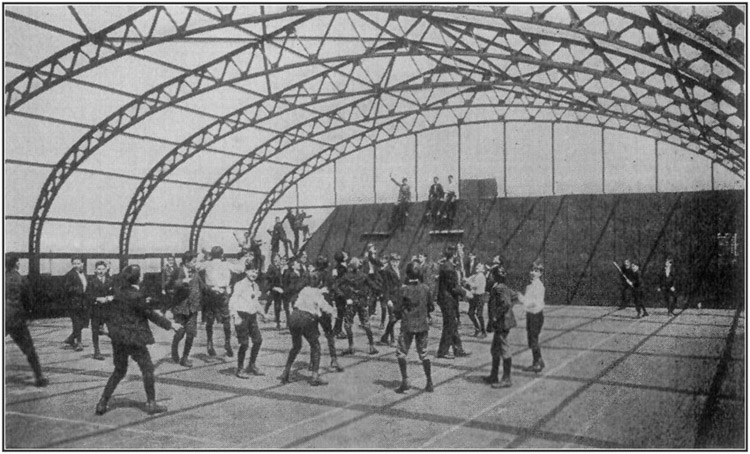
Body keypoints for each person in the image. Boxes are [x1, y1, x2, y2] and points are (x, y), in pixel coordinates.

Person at [95, 265, 183, 416]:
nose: (142, 277)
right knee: (147, 369)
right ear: (137, 278)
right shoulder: (138, 295)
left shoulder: (117, 292)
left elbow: (108, 311)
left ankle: (102, 402)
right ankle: (151, 403)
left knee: (119, 370)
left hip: (119, 338)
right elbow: (150, 314)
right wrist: (171, 325)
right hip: (134, 339)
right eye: (140, 275)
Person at [279, 272, 336, 386]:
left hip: (294, 316)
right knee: (315, 346)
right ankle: (314, 377)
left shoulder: (304, 289)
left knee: (296, 346)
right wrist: (334, 311)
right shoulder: (318, 292)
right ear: (320, 282)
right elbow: (324, 307)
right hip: (306, 319)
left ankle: (286, 372)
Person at [196, 246, 246, 357]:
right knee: (226, 319)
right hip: (223, 293)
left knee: (210, 319)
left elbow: (196, 266)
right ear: (222, 255)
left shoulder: (207, 264)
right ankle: (227, 343)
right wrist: (243, 259)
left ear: (211, 255)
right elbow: (241, 269)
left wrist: (202, 254)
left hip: (210, 293)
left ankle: (209, 342)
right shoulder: (226, 264)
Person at [5, 256, 48, 387]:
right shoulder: (21, 279)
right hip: (16, 319)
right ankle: (39, 377)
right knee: (29, 349)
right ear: (16, 263)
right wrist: (28, 314)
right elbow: (29, 300)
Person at [393, 262, 434, 393]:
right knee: (424, 354)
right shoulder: (425, 288)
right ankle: (429, 382)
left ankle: (405, 381)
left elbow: (397, 309)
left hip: (407, 325)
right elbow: (431, 306)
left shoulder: (403, 290)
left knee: (401, 353)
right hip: (422, 324)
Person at [336, 257, 379, 355]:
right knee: (366, 324)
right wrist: (370, 296)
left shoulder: (346, 276)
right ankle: (371, 346)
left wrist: (344, 297)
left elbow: (336, 286)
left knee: (347, 324)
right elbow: (374, 287)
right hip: (362, 302)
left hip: (351, 303)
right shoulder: (364, 276)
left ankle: (351, 346)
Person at [485, 261, 518, 388]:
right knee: (495, 349)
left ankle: (506, 378)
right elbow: (514, 297)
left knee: (504, 349)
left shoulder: (500, 288)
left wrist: (495, 316)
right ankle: (494, 375)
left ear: (495, 276)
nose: (489, 277)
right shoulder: (501, 287)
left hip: (502, 323)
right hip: (501, 321)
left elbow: (506, 304)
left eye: (491, 275)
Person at [229, 263, 265, 379]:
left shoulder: (255, 286)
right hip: (242, 316)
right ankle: (240, 368)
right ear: (246, 271)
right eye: (252, 271)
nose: (254, 274)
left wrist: (263, 313)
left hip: (252, 317)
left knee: (258, 340)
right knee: (244, 344)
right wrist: (235, 316)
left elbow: (255, 302)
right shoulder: (240, 285)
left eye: (256, 272)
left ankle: (252, 365)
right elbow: (232, 301)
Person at [309, 256, 344, 373]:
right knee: (329, 334)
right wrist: (343, 296)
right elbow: (335, 289)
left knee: (313, 334)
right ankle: (333, 359)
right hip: (325, 307)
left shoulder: (312, 275)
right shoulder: (328, 276)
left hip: (313, 306)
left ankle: (312, 361)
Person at [436, 246, 471, 359]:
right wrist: (466, 292)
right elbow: (453, 287)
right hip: (448, 300)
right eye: (460, 252)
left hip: (448, 299)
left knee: (453, 324)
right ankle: (442, 351)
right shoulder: (449, 268)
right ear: (455, 254)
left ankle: (458, 349)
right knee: (449, 325)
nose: (462, 254)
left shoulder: (448, 265)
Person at [170, 251, 205, 367]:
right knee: (180, 332)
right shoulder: (177, 271)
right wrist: (181, 282)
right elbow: (169, 285)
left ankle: (185, 357)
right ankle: (174, 348)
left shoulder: (195, 272)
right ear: (186, 262)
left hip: (193, 308)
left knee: (190, 333)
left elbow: (202, 286)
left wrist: (215, 290)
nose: (195, 264)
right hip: (180, 307)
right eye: (194, 262)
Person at [519, 261, 545, 372]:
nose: (533, 273)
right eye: (532, 270)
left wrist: (522, 300)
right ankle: (539, 360)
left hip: (536, 316)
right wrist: (524, 310)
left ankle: (536, 363)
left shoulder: (539, 286)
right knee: (531, 339)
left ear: (540, 273)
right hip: (531, 314)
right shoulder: (530, 285)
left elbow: (535, 302)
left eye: (536, 271)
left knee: (533, 340)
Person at [87, 261, 114, 360]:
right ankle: (96, 351)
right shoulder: (91, 281)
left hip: (108, 309)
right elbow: (88, 296)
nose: (101, 271)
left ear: (106, 269)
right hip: (96, 309)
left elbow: (115, 292)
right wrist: (97, 299)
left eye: (103, 269)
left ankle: (118, 350)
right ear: (95, 270)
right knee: (95, 331)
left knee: (113, 329)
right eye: (99, 269)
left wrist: (111, 297)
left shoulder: (110, 280)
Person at [63, 257, 89, 352]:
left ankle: (70, 338)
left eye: (78, 263)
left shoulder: (83, 273)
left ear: (82, 263)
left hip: (83, 302)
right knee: (77, 322)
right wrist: (79, 290)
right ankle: (79, 343)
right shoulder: (70, 275)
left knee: (83, 322)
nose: (76, 265)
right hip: (74, 302)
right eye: (74, 263)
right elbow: (67, 288)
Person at [378, 253, 402, 347]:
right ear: (390, 261)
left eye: (397, 261)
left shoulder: (398, 270)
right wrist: (388, 299)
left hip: (397, 297)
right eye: (393, 261)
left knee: (394, 318)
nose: (395, 263)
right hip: (391, 297)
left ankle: (385, 337)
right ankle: (391, 339)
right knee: (392, 317)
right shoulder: (387, 271)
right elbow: (386, 286)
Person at [282, 258, 307, 328]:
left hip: (297, 294)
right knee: (294, 308)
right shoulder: (292, 275)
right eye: (297, 264)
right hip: (293, 294)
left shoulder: (299, 273)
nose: (299, 264)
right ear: (293, 266)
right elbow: (292, 286)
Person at [264, 254, 286, 330]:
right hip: (272, 288)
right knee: (269, 302)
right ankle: (264, 313)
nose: (276, 261)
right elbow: (267, 278)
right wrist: (268, 289)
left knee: (277, 306)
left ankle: (277, 323)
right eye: (275, 260)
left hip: (279, 290)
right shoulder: (271, 267)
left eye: (277, 260)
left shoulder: (281, 268)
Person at [466, 263, 488, 338]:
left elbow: (475, 285)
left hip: (480, 297)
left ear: (483, 269)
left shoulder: (481, 276)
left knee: (479, 314)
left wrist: (468, 282)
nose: (477, 267)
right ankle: (477, 328)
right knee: (470, 313)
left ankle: (483, 331)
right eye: (477, 266)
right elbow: (468, 280)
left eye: (479, 266)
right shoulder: (475, 276)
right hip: (474, 296)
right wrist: (465, 279)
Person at [331, 250, 349, 338]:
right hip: (341, 293)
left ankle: (336, 329)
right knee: (341, 312)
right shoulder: (341, 268)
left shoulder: (337, 267)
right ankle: (338, 330)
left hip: (339, 292)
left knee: (340, 312)